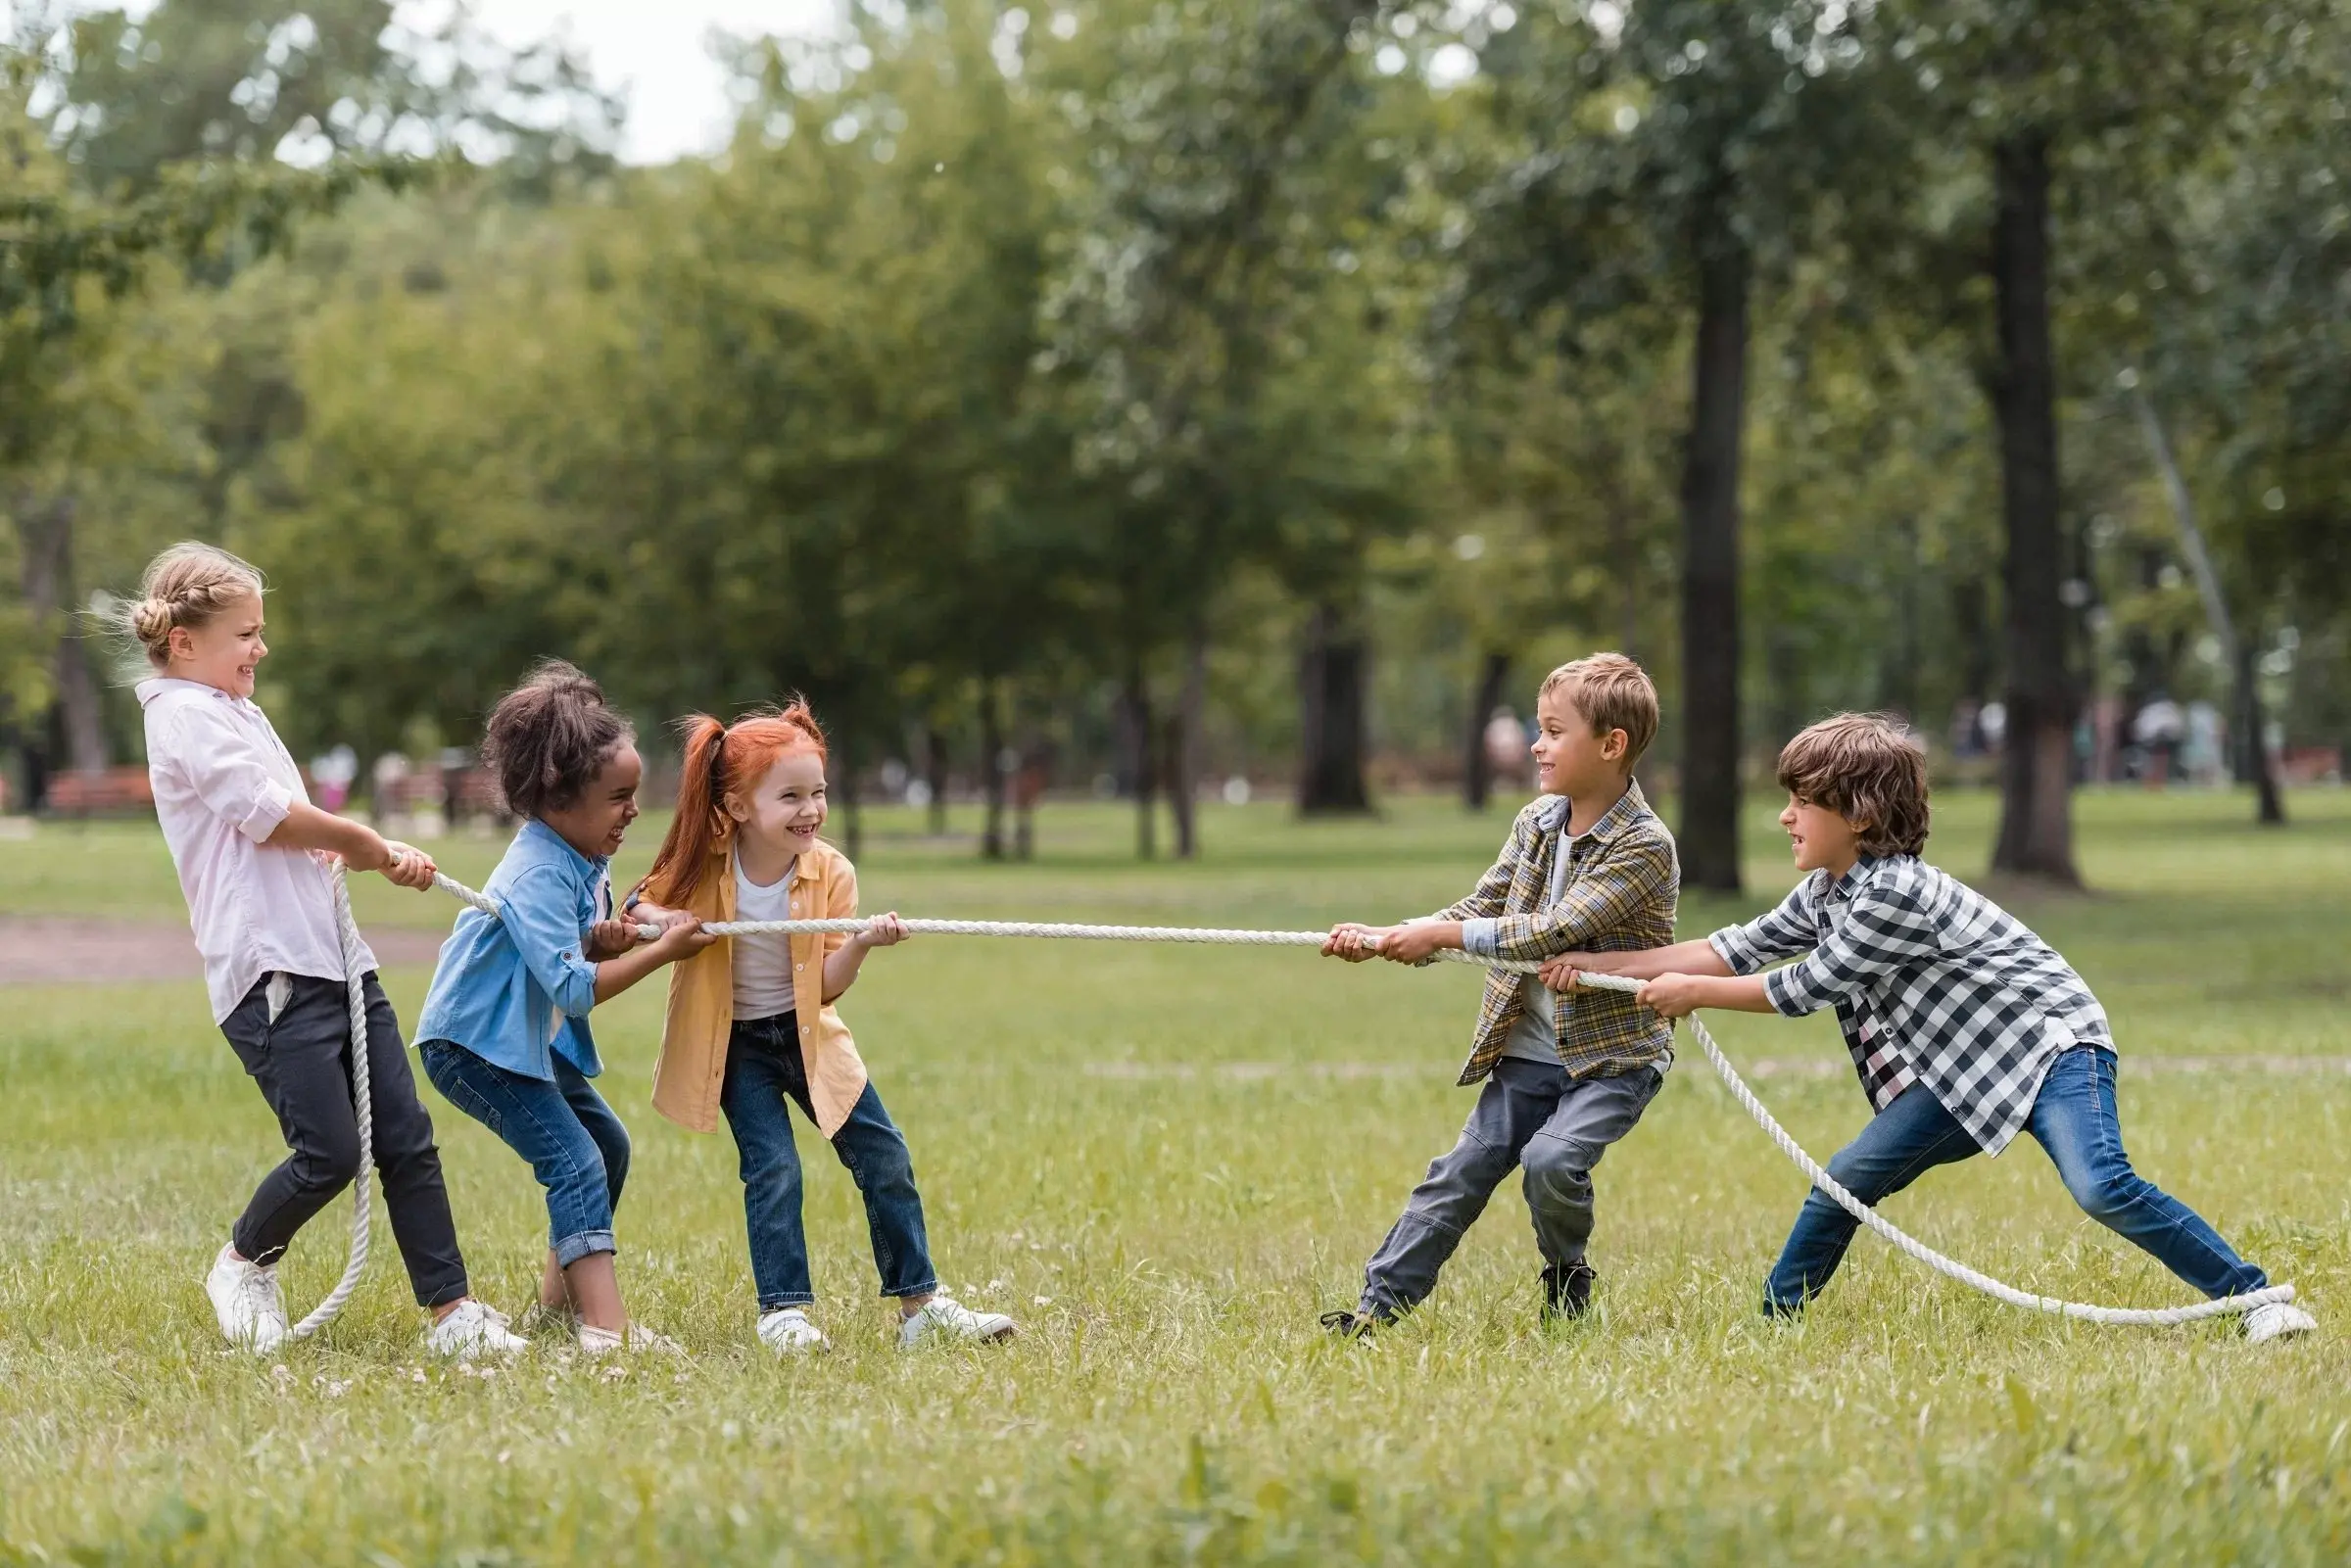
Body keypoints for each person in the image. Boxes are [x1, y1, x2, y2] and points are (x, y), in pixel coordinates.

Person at [1545, 711, 2317, 1345]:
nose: (1784, 814)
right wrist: (1599, 960)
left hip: (2050, 1047)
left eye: (1802, 799)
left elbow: (1807, 984)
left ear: (1862, 813)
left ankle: (2257, 1297)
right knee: (1844, 1183)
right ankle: (1772, 1326)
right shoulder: (1828, 889)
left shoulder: (1893, 894)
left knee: (2101, 1185)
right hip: (1963, 1073)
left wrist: (1694, 994)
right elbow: (1726, 948)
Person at [125, 542, 525, 1358]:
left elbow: (283, 828)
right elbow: (259, 810)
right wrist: (365, 838)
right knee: (331, 1152)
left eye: (260, 630)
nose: (260, 647)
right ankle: (242, 1262)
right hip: (268, 972)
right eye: (245, 632)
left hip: (335, 960)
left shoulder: (234, 708)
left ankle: (455, 1317)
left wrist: (345, 850)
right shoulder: (181, 714)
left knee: (406, 1136)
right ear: (183, 642)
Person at [630, 705, 1017, 1354]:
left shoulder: (831, 872)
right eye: (791, 795)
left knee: (883, 1154)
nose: (812, 808)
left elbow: (826, 986)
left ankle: (921, 1308)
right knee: (774, 1168)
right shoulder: (704, 860)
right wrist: (663, 918)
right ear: (740, 804)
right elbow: (637, 900)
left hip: (810, 1040)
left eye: (819, 792)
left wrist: (863, 943)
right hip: (738, 1046)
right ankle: (784, 1314)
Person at [1318, 653, 1679, 1333]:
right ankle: (1374, 1311)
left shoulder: (1644, 844)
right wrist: (1389, 935)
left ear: (1611, 744)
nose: (1536, 744)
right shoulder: (1536, 823)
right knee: (1458, 1173)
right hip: (1526, 1054)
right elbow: (1481, 907)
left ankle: (1567, 1270)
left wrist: (1439, 936)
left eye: (1552, 730)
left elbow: (1555, 928)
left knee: (1551, 1159)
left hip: (1610, 1059)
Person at [413, 662, 715, 1355]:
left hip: (522, 1036)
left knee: (604, 1145)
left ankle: (557, 1308)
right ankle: (607, 1331)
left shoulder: (581, 850)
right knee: (575, 1159)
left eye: (634, 794)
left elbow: (568, 942)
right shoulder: (539, 869)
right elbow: (574, 988)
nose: (633, 811)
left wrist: (604, 934)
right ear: (558, 799)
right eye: (618, 797)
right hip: (474, 1044)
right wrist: (661, 954)